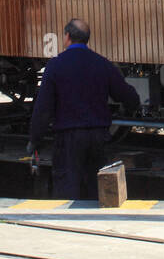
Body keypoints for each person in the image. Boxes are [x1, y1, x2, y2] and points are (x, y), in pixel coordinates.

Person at [28, 18, 141, 200]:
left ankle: (69, 224)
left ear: (67, 37)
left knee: (67, 189)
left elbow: (43, 109)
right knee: (95, 190)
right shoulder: (102, 64)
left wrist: (34, 139)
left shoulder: (56, 65)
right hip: (98, 137)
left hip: (68, 139)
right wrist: (130, 108)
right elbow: (129, 97)